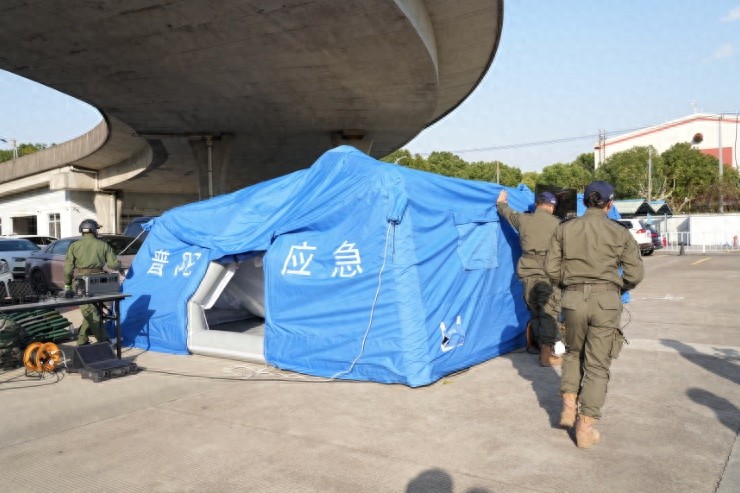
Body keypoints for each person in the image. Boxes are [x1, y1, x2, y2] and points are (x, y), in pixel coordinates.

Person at [544, 180, 644, 449]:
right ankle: (585, 429)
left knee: (574, 353)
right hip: (606, 301)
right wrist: (617, 286)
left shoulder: (565, 229)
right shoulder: (619, 232)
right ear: (609, 204)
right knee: (598, 365)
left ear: (585, 201)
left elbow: (551, 269)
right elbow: (635, 274)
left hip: (573, 298)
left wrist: (570, 281)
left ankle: (567, 408)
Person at [497, 189, 563, 366]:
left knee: (535, 312)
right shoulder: (558, 225)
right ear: (552, 207)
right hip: (547, 275)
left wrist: (501, 202)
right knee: (548, 314)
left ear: (536, 205)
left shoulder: (523, 219)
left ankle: (537, 346)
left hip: (527, 274)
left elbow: (506, 213)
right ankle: (546, 356)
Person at [64, 219, 120, 346]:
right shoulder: (103, 245)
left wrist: (67, 286)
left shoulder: (74, 246)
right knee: (91, 311)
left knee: (90, 312)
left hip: (81, 283)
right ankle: (84, 340)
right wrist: (118, 264)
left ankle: (104, 342)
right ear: (94, 230)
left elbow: (68, 269)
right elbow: (113, 265)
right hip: (99, 283)